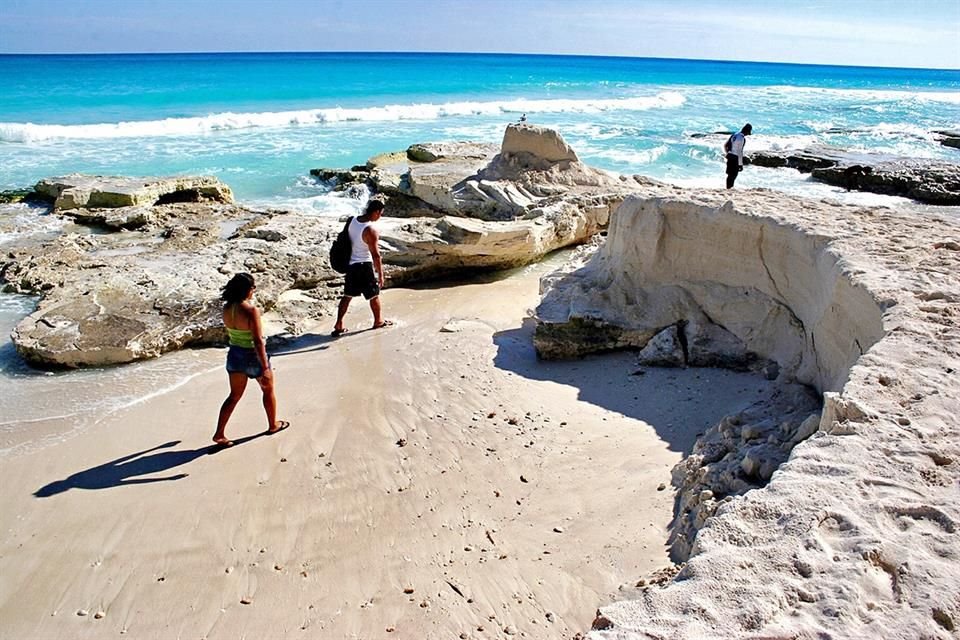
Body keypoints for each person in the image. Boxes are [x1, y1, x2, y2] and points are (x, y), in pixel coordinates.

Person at [213, 272, 288, 446]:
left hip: (234, 355)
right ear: (246, 290)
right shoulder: (251, 310)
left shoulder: (227, 308)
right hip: (252, 356)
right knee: (268, 391)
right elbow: (257, 341)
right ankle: (273, 425)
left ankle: (219, 433)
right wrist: (265, 367)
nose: (253, 290)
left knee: (234, 396)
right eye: (253, 287)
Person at [331, 199, 392, 336]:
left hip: (351, 265)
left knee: (347, 296)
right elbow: (376, 256)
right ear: (376, 212)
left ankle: (339, 324)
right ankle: (378, 321)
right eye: (380, 214)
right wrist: (381, 275)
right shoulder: (370, 230)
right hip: (364, 265)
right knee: (374, 295)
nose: (380, 217)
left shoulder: (352, 220)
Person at [724, 123, 753, 189]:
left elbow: (726, 145)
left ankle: (728, 188)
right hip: (735, 158)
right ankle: (730, 188)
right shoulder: (742, 138)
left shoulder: (734, 135)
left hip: (730, 156)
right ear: (747, 131)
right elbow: (740, 152)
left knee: (729, 175)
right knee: (734, 175)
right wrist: (740, 164)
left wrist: (728, 153)